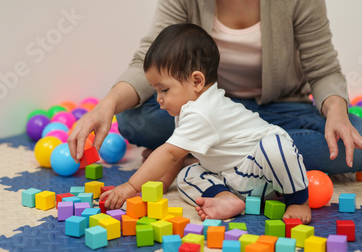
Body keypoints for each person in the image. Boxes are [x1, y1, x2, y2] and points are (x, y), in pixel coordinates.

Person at [68, 0, 362, 193]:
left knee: (361, 140)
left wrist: (338, 115)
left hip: (278, 110)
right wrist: (106, 105)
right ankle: (223, 152)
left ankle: (195, 155)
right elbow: (148, 62)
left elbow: (323, 69)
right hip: (207, 109)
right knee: (132, 119)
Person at [100, 23, 311, 222]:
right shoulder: (186, 110)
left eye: (164, 90)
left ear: (197, 81)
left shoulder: (203, 111)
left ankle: (299, 199)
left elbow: (169, 153)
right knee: (187, 176)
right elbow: (178, 156)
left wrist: (131, 185)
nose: (158, 99)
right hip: (234, 177)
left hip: (264, 171)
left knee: (276, 147)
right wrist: (162, 183)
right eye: (156, 91)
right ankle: (226, 197)